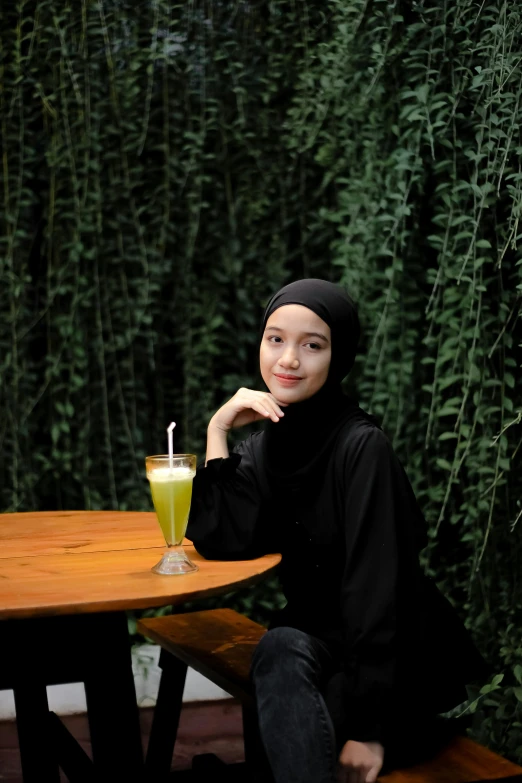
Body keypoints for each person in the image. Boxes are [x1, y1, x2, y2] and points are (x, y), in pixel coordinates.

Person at [186, 279, 490, 783]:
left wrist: (371, 730)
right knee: (278, 648)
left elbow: (381, 592)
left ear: (338, 356)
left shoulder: (361, 446)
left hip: (391, 659)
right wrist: (218, 429)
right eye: (275, 339)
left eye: (313, 345)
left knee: (297, 722)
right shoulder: (267, 445)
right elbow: (224, 534)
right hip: (317, 640)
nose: (288, 360)